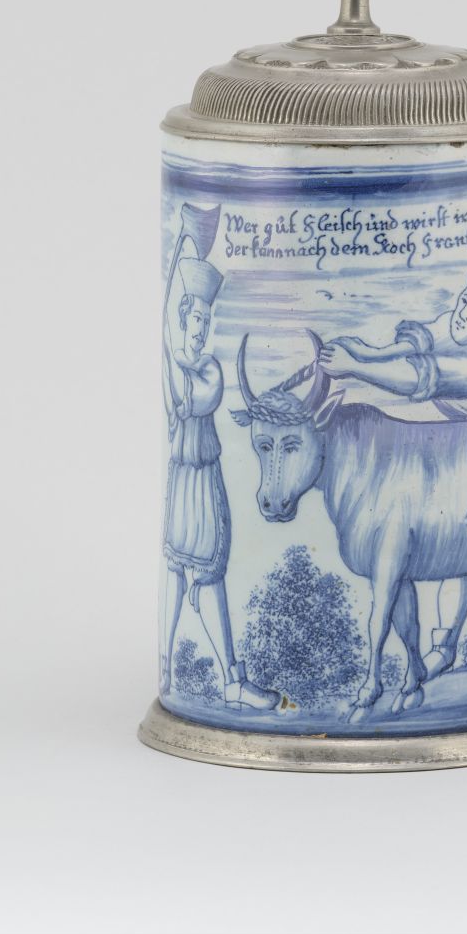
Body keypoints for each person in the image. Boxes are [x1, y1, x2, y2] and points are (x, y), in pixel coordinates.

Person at [318, 267, 467, 676]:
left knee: (463, 553)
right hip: (451, 451)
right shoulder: (455, 327)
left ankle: (453, 647)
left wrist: (356, 367)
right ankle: (441, 649)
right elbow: (417, 343)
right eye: (464, 301)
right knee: (449, 549)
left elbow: (418, 376)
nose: (463, 312)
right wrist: (366, 351)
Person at [162, 257, 279, 711]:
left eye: (206, 322)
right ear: (182, 318)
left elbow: (192, 396)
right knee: (174, 566)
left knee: (209, 570)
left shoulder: (208, 369)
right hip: (181, 475)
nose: (200, 330)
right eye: (195, 319)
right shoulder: (172, 363)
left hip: (203, 477)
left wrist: (169, 344)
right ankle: (168, 668)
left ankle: (231, 679)